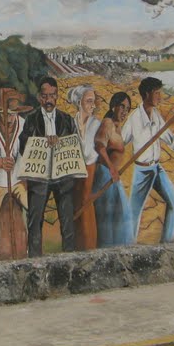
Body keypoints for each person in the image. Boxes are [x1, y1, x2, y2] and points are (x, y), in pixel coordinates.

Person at [123, 77, 174, 243]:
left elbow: (170, 139)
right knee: (133, 214)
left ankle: (167, 243)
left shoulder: (156, 115)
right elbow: (121, 141)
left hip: (156, 168)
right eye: (157, 93)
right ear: (147, 94)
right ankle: (128, 248)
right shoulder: (134, 119)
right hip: (142, 171)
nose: (160, 97)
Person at [19, 76, 78, 257]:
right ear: (39, 97)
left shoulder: (67, 119)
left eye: (52, 95)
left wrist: (60, 143)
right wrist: (43, 142)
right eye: (45, 96)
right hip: (39, 178)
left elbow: (75, 145)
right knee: (35, 220)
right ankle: (35, 260)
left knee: (67, 220)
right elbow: (22, 146)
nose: (48, 100)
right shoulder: (31, 120)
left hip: (63, 178)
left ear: (57, 96)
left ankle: (68, 258)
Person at [0, 87, 33, 260]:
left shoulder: (24, 125)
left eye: (14, 113)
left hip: (17, 179)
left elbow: (28, 149)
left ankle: (29, 247)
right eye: (7, 113)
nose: (11, 117)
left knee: (33, 208)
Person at [91, 92, 134, 247]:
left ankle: (122, 249)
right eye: (122, 106)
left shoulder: (118, 128)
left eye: (127, 109)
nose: (124, 111)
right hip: (104, 175)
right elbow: (99, 146)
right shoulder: (107, 123)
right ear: (113, 106)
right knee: (107, 218)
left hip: (113, 177)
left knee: (123, 214)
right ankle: (106, 251)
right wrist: (111, 168)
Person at [68, 84, 100, 250]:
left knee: (86, 206)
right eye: (89, 101)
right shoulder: (71, 122)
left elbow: (88, 152)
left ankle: (89, 245)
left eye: (93, 101)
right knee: (75, 207)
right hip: (74, 172)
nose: (92, 105)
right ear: (79, 102)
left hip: (89, 170)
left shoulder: (95, 124)